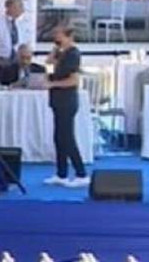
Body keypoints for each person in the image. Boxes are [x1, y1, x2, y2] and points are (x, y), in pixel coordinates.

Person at [44, 25, 89, 187]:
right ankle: (61, 173)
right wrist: (52, 55)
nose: (56, 38)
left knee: (67, 137)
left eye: (59, 35)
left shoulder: (73, 54)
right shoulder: (60, 53)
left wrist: (53, 84)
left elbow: (73, 80)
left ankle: (81, 173)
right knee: (58, 138)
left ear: (69, 37)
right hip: (57, 100)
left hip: (67, 100)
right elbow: (49, 68)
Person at [0, 0, 26, 72]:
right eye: (19, 7)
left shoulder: (19, 23)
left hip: (16, 60)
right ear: (11, 8)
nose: (22, 10)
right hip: (1, 60)